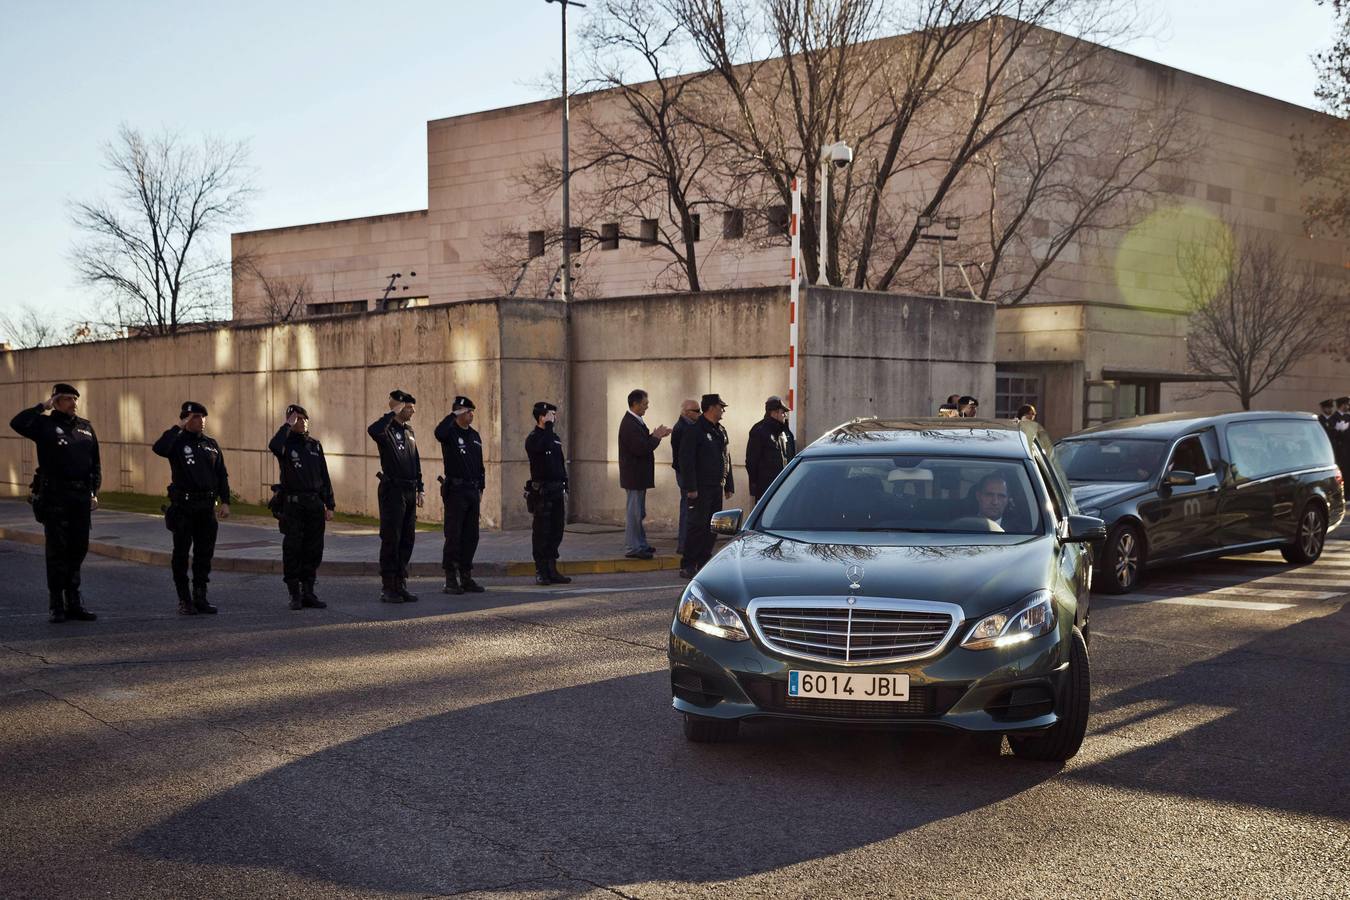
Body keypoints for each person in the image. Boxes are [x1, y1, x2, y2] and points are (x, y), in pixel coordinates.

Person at [10, 383, 100, 623]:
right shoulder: (44, 425)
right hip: (56, 498)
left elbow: (95, 464)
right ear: (56, 401)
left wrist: (94, 492)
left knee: (78, 549)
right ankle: (56, 604)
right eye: (67, 399)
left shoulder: (85, 428)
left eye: (74, 399)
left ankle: (74, 601)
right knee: (57, 551)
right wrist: (42, 407)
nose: (73, 403)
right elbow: (17, 423)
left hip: (80, 498)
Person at [152, 401, 231, 615]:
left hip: (206, 507)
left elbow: (221, 474)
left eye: (203, 417)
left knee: (204, 554)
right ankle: (184, 599)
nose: (201, 421)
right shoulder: (177, 443)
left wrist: (225, 501)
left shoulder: (210, 444)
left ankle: (200, 596)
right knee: (181, 554)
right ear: (186, 419)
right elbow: (159, 448)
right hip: (184, 507)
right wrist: (178, 427)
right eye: (196, 417)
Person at [269, 405, 335, 611]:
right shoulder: (285, 445)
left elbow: (324, 476)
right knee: (293, 549)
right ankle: (294, 593)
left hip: (314, 504)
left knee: (314, 549)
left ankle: (309, 591)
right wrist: (285, 427)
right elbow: (273, 445)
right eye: (297, 419)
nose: (302, 422)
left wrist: (329, 503)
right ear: (290, 421)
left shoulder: (314, 446)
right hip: (294, 505)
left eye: (304, 419)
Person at [369, 390, 424, 604]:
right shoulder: (386, 430)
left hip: (410, 491)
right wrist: (390, 413)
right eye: (409, 407)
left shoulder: (409, 431)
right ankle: (388, 586)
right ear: (400, 407)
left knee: (407, 539)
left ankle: (401, 583)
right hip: (393, 491)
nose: (413, 411)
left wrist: (420, 488)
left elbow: (415, 460)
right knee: (392, 538)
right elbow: (372, 430)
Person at [678, 394, 734, 579]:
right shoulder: (695, 431)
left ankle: (704, 561)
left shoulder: (720, 430)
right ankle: (688, 563)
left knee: (713, 526)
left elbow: (726, 458)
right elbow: (686, 461)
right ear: (711, 408)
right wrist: (691, 487)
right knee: (697, 525)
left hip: (716, 486)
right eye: (720, 407)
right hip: (700, 487)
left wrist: (728, 484)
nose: (723, 410)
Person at [434, 395, 486, 595]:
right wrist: (452, 415)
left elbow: (480, 466)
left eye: (472, 412)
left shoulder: (474, 435)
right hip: (456, 491)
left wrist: (481, 488)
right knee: (454, 535)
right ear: (459, 413)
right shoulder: (450, 433)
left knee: (471, 536)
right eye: (468, 412)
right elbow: (438, 433)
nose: (471, 415)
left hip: (472, 491)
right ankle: (450, 579)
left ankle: (466, 576)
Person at [618, 389, 673, 560]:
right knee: (634, 513)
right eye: (644, 404)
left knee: (639, 512)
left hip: (638, 476)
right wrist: (656, 437)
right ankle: (633, 547)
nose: (647, 407)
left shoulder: (636, 421)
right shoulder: (629, 423)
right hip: (634, 476)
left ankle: (641, 544)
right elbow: (640, 448)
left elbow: (642, 443)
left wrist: (654, 436)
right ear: (634, 404)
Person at [525, 401, 571, 585]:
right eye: (550, 414)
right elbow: (540, 447)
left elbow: (559, 462)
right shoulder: (535, 438)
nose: (554, 417)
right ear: (541, 417)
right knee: (542, 533)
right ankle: (541, 570)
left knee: (556, 531)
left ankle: (552, 569)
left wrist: (565, 482)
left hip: (556, 490)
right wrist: (548, 426)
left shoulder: (555, 437)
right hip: (542, 492)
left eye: (554, 414)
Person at [746, 396, 796, 502]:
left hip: (783, 486)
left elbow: (791, 457)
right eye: (783, 412)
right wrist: (758, 483)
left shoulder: (785, 432)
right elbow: (751, 462)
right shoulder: (759, 431)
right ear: (774, 413)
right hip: (766, 488)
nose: (785, 415)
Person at [669, 399, 700, 555]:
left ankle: (687, 543)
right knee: (688, 508)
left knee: (690, 509)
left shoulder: (689, 427)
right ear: (686, 412)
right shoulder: (683, 428)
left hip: (686, 473)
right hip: (685, 474)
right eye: (696, 411)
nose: (699, 414)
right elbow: (683, 457)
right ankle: (684, 544)